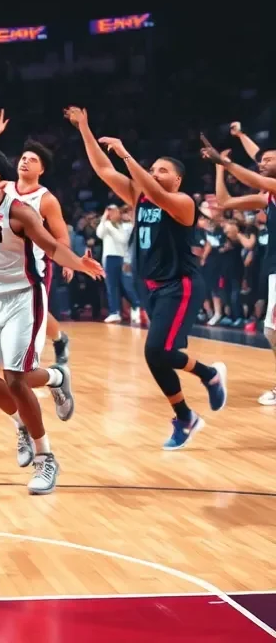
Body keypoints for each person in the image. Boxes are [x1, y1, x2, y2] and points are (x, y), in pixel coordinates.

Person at [66, 107, 227, 450]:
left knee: (156, 350)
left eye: (162, 170)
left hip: (179, 285)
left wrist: (127, 154)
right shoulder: (141, 198)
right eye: (152, 169)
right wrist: (85, 128)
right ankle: (204, 384)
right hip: (153, 288)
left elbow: (155, 192)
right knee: (159, 355)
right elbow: (103, 169)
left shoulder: (182, 202)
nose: (154, 173)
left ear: (178, 179)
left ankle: (190, 410)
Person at [0, 150, 98, 494]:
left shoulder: (20, 212)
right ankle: (31, 409)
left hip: (22, 298)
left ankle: (46, 457)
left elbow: (52, 246)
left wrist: (79, 263)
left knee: (15, 379)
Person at [0, 110, 74, 361]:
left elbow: (61, 236)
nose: (25, 162)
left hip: (35, 264)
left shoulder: (46, 199)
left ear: (42, 170)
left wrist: (66, 260)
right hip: (3, 262)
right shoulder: (3, 187)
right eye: (23, 158)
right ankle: (59, 338)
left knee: (32, 310)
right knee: (30, 311)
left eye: (32, 160)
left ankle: (31, 363)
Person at [203, 129, 276, 403]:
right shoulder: (267, 197)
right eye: (262, 159)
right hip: (273, 268)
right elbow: (224, 202)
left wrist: (226, 163)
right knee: (271, 330)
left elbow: (256, 179)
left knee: (272, 329)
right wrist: (220, 169)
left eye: (269, 159)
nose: (263, 162)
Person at [96, 204, 134, 324]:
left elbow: (123, 240)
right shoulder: (106, 226)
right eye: (109, 212)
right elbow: (99, 234)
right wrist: (103, 219)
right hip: (109, 258)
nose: (111, 214)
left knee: (125, 286)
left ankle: (138, 307)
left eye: (113, 211)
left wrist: (109, 226)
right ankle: (114, 312)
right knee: (112, 286)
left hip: (121, 258)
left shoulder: (121, 226)